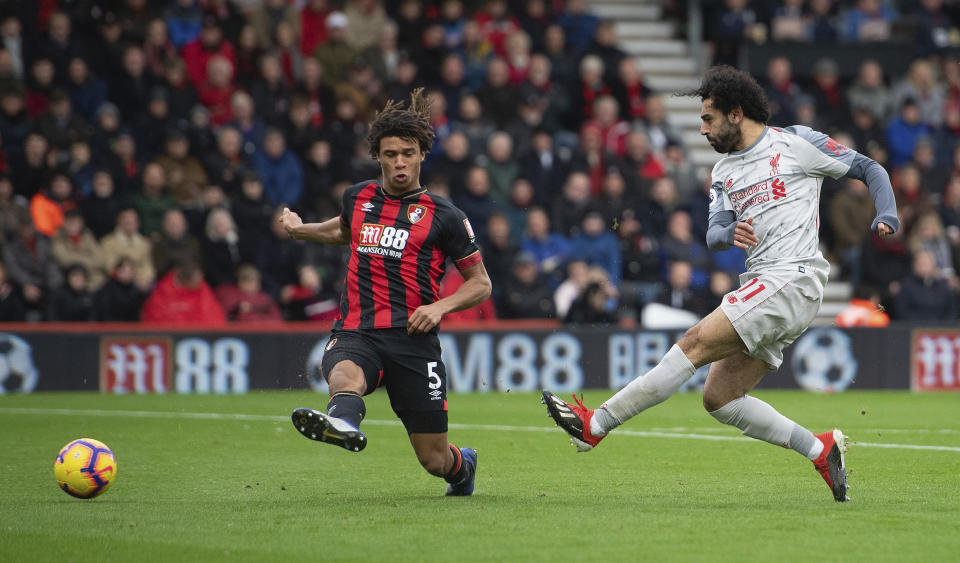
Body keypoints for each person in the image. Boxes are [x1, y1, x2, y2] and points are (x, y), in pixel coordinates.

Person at [542, 65, 900, 503]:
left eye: (708, 118)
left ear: (735, 113)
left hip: (793, 277)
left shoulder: (796, 143)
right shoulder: (722, 172)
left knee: (693, 342)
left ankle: (595, 425)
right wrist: (727, 234)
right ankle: (820, 449)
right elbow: (713, 234)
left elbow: (870, 169)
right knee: (721, 398)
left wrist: (887, 214)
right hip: (770, 285)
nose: (702, 128)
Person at [281, 88, 491, 496]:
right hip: (358, 329)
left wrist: (439, 308)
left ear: (422, 155)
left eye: (407, 153)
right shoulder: (357, 197)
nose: (399, 162)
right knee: (343, 375)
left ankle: (462, 466)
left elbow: (481, 284)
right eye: (390, 154)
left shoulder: (445, 216)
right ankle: (343, 423)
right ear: (377, 155)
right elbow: (342, 231)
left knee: (434, 460)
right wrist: (298, 229)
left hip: (414, 341)